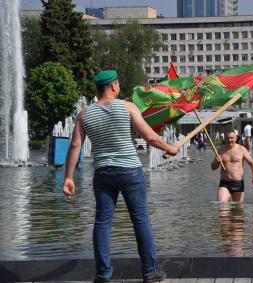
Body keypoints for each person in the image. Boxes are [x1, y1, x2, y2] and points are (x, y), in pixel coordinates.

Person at [62, 70, 178, 283]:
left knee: (103, 222)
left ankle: (103, 274)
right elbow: (149, 136)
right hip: (129, 171)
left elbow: (76, 146)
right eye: (118, 84)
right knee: (140, 219)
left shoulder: (85, 114)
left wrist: (68, 177)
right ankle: (150, 272)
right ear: (113, 86)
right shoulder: (127, 107)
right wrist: (169, 147)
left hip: (103, 173)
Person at [211, 131, 253, 203]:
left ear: (236, 138)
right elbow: (213, 167)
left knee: (238, 210)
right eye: (227, 138)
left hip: (238, 183)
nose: (229, 140)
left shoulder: (241, 149)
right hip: (225, 183)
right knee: (221, 204)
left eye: (231, 138)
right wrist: (216, 161)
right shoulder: (221, 150)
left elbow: (252, 163)